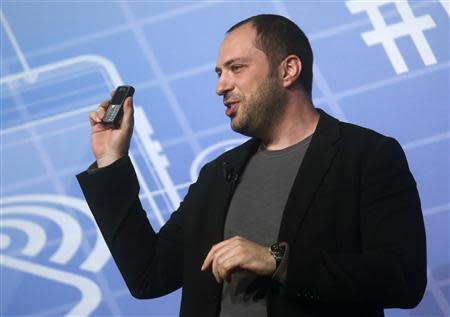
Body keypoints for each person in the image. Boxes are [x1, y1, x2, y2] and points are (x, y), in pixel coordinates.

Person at [77, 14, 427, 317]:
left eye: (236, 68)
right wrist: (111, 160)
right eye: (219, 73)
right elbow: (149, 274)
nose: (220, 86)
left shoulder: (366, 156)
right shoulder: (218, 175)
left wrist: (277, 260)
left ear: (288, 70)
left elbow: (403, 278)